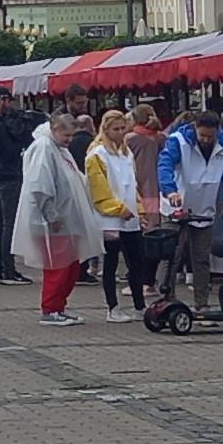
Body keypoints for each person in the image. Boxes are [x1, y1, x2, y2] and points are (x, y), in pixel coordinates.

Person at [155, 107, 223, 314]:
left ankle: (202, 304)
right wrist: (170, 190)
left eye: (210, 137)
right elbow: (165, 165)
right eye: (202, 135)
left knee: (202, 259)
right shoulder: (178, 141)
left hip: (204, 208)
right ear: (195, 128)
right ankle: (166, 300)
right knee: (171, 256)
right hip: (176, 207)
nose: (205, 140)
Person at [13, 113, 107, 328]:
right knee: (58, 267)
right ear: (54, 129)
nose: (70, 140)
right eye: (66, 135)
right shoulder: (44, 148)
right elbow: (40, 185)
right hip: (54, 221)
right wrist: (51, 215)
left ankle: (59, 306)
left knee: (70, 266)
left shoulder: (58, 149)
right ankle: (50, 308)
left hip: (66, 218)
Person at [86, 110, 149, 321]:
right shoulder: (97, 154)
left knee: (137, 262)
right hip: (109, 217)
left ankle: (140, 305)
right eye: (116, 129)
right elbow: (98, 188)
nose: (121, 132)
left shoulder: (126, 153)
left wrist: (139, 209)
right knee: (111, 264)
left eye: (123, 128)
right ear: (106, 129)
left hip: (129, 215)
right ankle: (112, 308)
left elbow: (132, 184)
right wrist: (117, 208)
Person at [0, 104, 39, 282]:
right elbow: (10, 152)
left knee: (1, 224)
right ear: (1, 100)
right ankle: (8, 270)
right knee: (9, 224)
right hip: (9, 176)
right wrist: (19, 137)